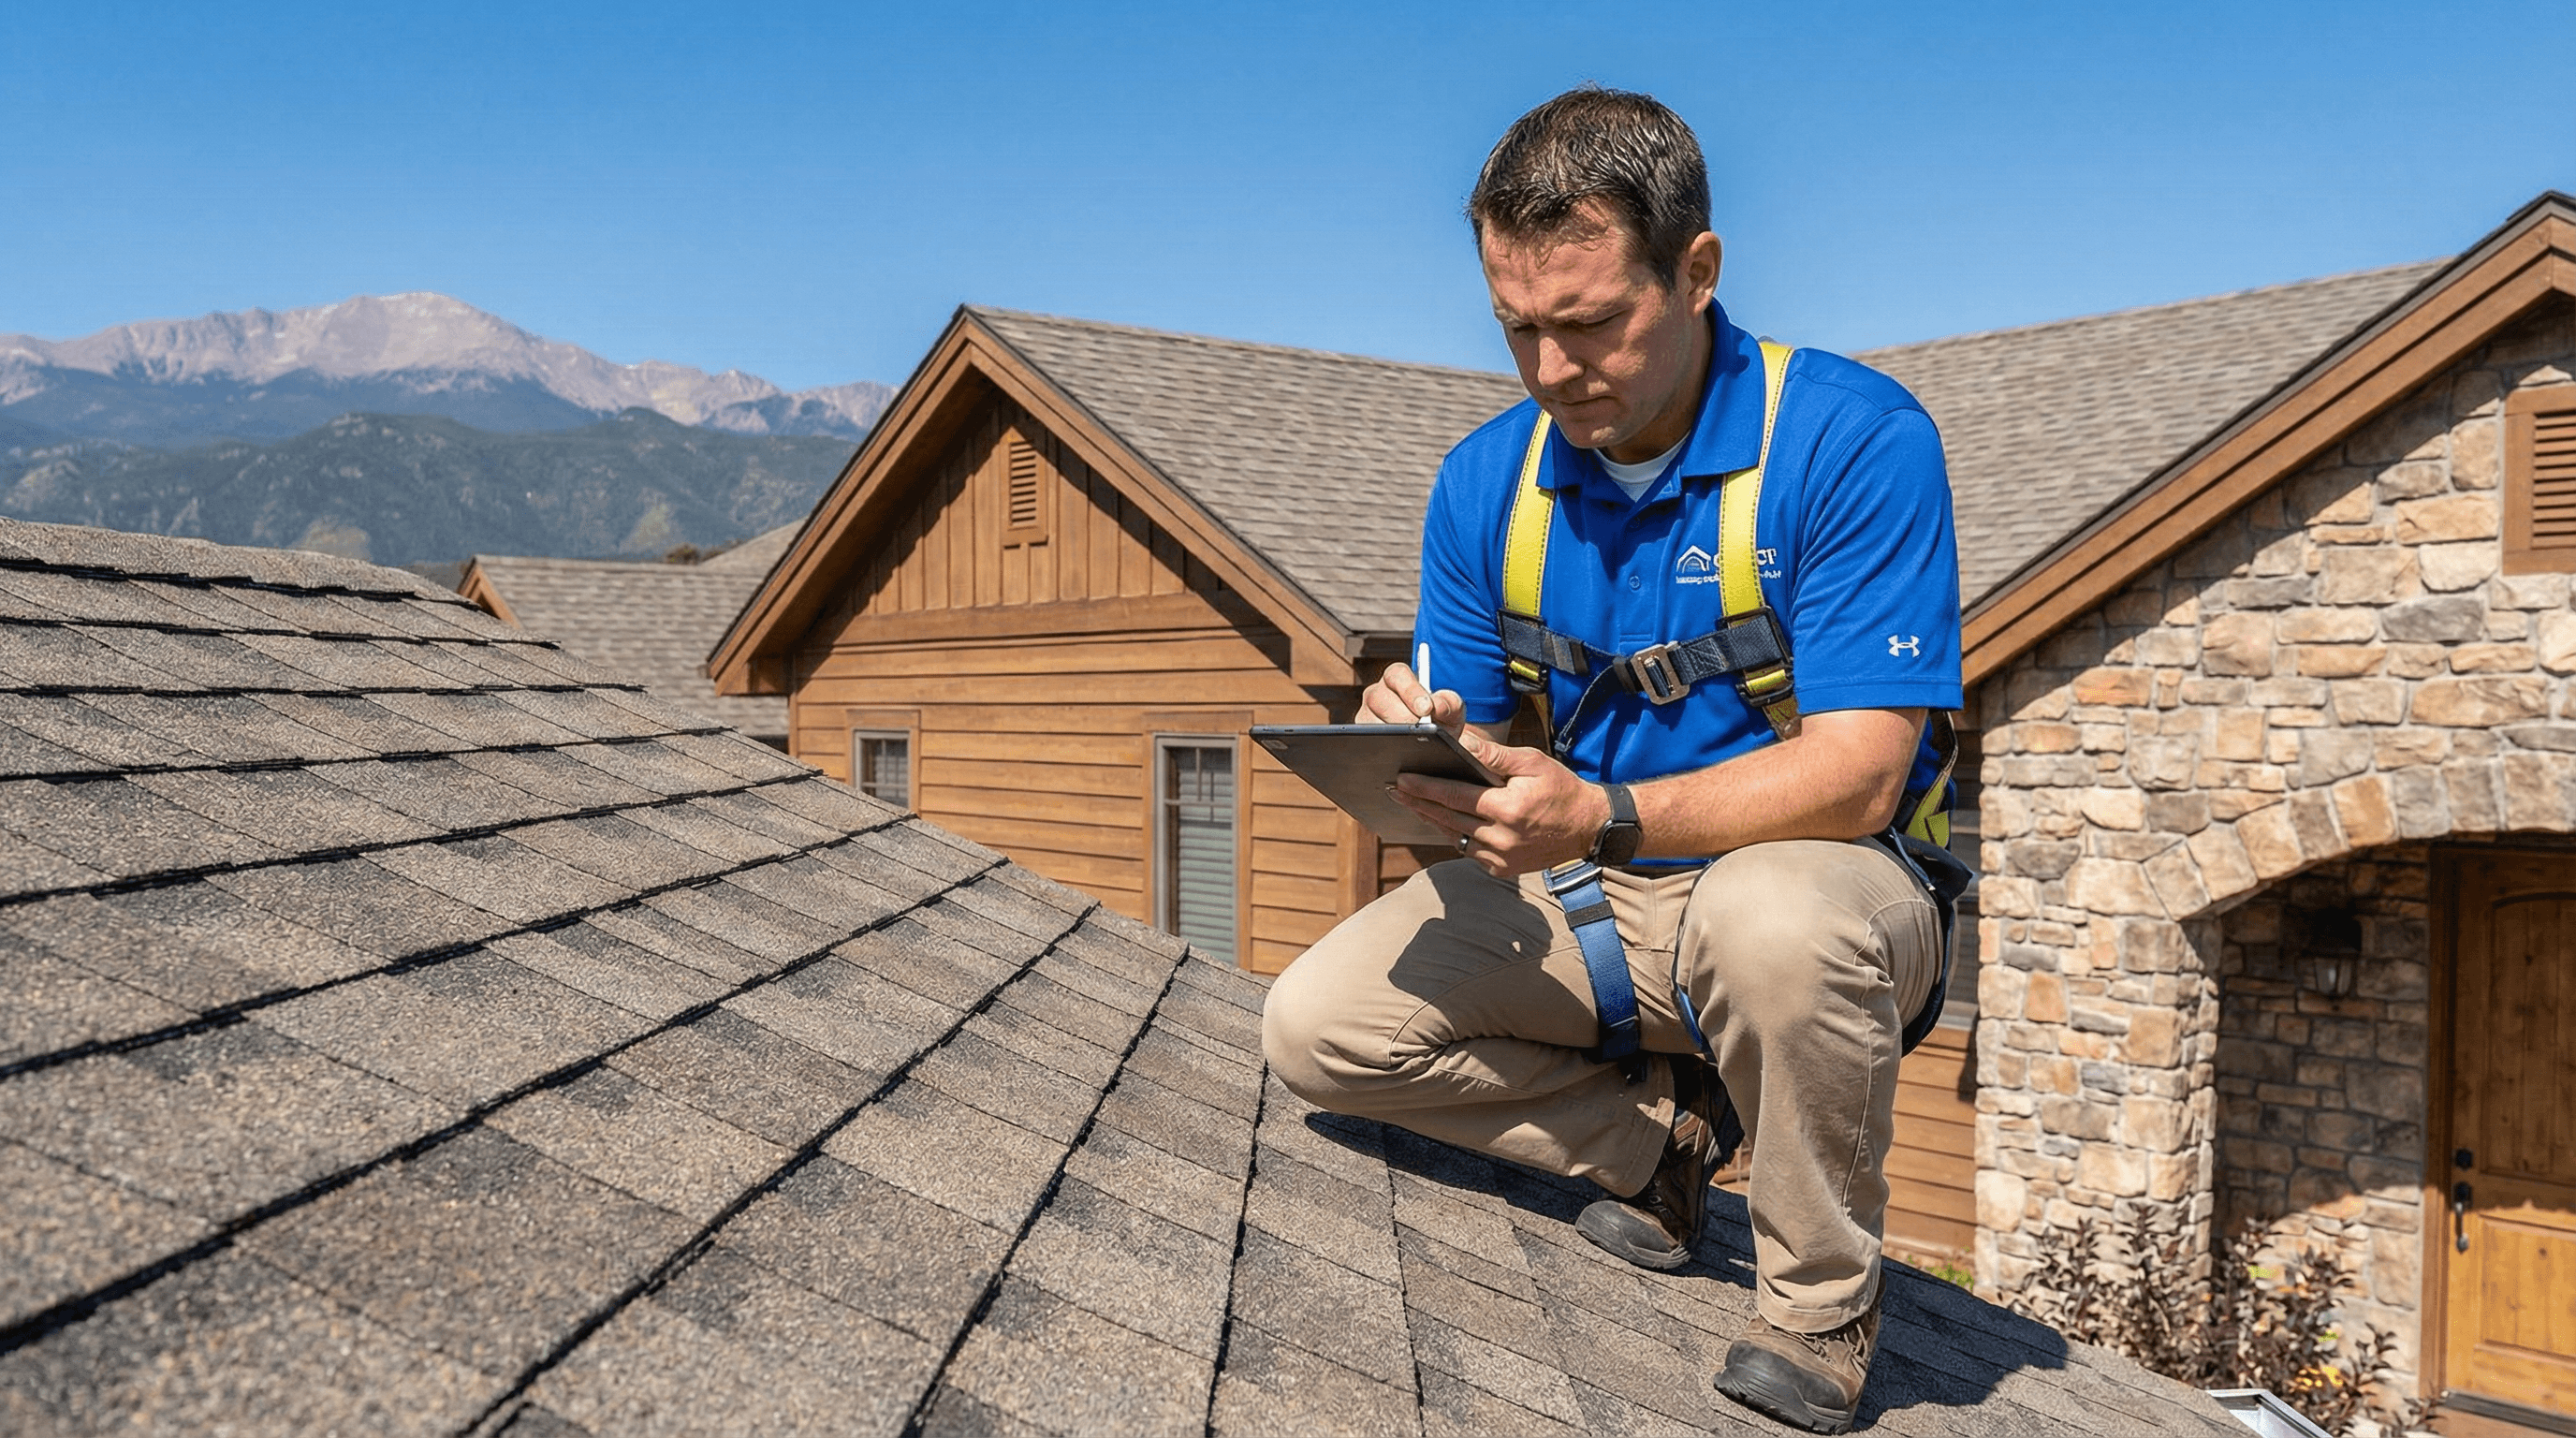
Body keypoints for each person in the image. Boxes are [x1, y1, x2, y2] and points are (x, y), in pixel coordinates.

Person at [1260, 87, 1962, 1435]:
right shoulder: (1487, 485)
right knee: (1317, 1030)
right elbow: (1499, 769)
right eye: (1517, 326)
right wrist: (1439, 752)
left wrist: (1607, 813)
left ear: (1697, 272)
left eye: (1589, 323)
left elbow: (1867, 772)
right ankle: (1657, 1152)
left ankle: (1820, 1306)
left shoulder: (1851, 443)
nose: (1549, 368)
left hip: (1820, 896)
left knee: (1770, 920)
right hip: (1603, 897)